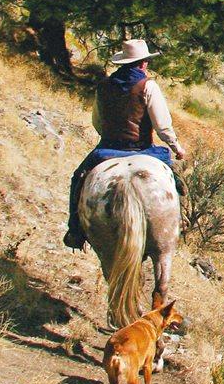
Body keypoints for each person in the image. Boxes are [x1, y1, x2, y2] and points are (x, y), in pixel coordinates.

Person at [63, 39, 187, 250]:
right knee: (174, 179)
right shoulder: (148, 86)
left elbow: (97, 121)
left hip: (108, 149)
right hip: (142, 149)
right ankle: (179, 221)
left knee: (78, 177)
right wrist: (176, 147)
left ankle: (75, 229)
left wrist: (111, 136)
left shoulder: (104, 86)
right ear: (143, 63)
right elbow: (162, 125)